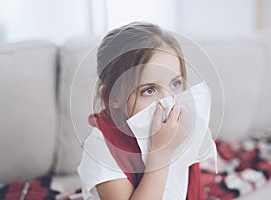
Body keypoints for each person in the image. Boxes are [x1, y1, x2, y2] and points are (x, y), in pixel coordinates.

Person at [77, 22, 205, 200]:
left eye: (175, 84)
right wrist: (161, 152)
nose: (168, 101)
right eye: (149, 90)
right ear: (113, 97)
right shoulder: (100, 147)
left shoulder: (178, 125)